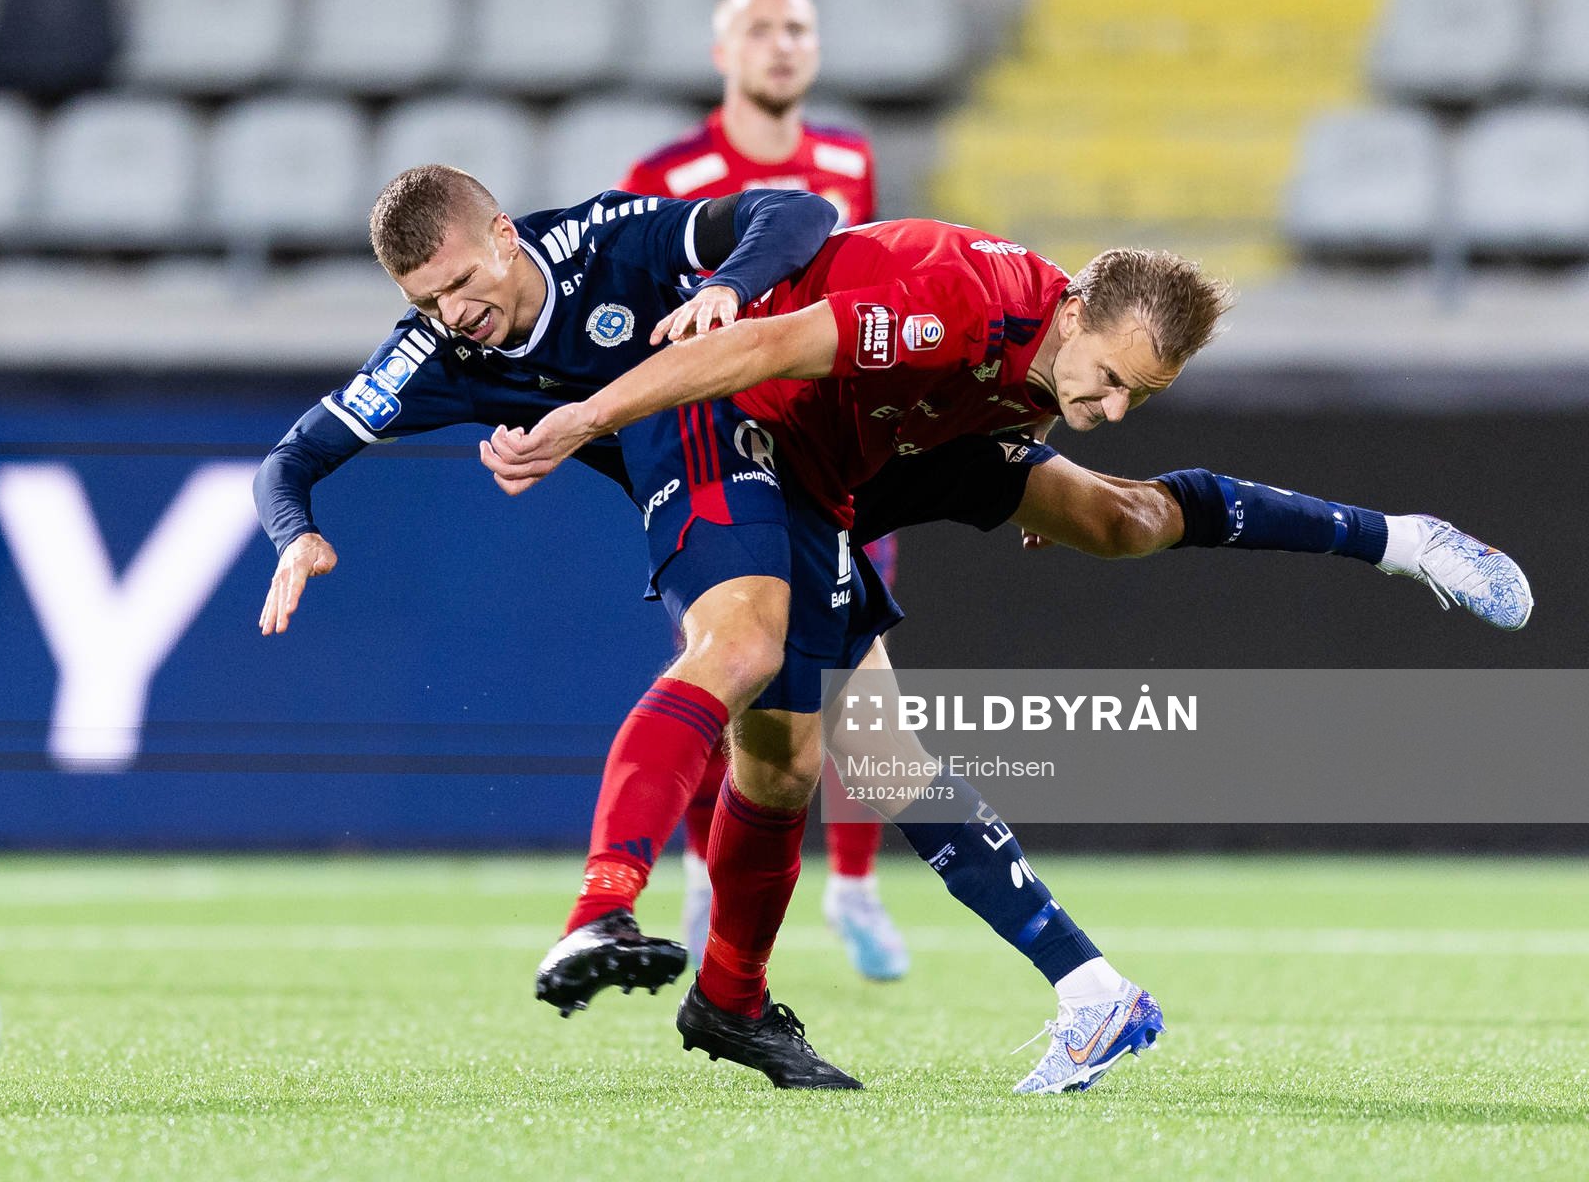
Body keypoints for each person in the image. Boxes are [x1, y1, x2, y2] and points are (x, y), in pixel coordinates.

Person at [482, 218, 1535, 1093]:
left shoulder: (1056, 361)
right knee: (834, 754)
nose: (1115, 408)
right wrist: (588, 416)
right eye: (1112, 378)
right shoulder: (953, 302)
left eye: (1143, 397)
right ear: (1072, 309)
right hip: (781, 440)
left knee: (1120, 520)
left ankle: (1401, 538)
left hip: (897, 445)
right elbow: (761, 350)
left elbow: (1025, 418)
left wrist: (1023, 449)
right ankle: (1038, 989)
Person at [620, 0, 903, 981]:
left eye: (798, 28)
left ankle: (856, 885)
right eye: (764, 29)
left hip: (836, 445)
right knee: (734, 671)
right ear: (724, 53)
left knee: (860, 687)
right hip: (726, 449)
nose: (784, 45)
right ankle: (706, 873)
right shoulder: (670, 175)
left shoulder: (848, 157)